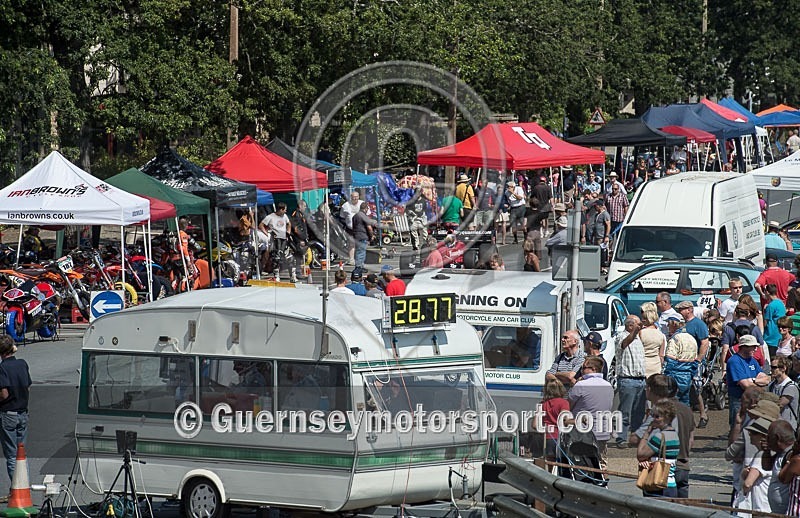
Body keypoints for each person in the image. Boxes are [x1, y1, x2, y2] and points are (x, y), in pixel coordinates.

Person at [630, 374, 695, 498]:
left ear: (650, 389)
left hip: (661, 470)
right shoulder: (687, 410)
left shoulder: (657, 413)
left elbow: (636, 441)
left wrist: (642, 434)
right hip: (683, 466)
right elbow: (691, 441)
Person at [568, 356, 614, 469]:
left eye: (583, 368)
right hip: (602, 432)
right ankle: (603, 483)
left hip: (583, 433)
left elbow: (567, 407)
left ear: (593, 369)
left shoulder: (581, 385)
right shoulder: (608, 386)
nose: (581, 371)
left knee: (581, 466)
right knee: (602, 464)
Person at [0, 336, 31, 482]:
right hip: (23, 412)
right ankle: (24, 485)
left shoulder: (3, 368)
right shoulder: (22, 364)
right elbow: (27, 386)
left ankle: (17, 489)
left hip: (8, 413)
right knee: (21, 453)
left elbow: (4, 394)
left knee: (12, 455)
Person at [636, 398, 680, 498]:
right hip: (671, 484)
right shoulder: (675, 436)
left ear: (667, 418)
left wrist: (647, 433)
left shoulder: (659, 437)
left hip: (657, 483)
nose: (653, 419)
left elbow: (640, 454)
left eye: (657, 416)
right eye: (652, 416)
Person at [615, 315, 647, 449]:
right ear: (630, 326)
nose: (640, 326)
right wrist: (634, 332)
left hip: (640, 379)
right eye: (638, 324)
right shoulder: (622, 336)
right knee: (625, 412)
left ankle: (635, 437)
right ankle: (621, 438)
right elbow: (624, 344)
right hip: (628, 379)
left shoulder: (639, 338)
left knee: (639, 412)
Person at [727, 335, 771, 427]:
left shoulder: (752, 360)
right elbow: (745, 385)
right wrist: (758, 383)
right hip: (739, 400)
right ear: (744, 347)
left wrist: (753, 380)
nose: (756, 349)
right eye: (753, 347)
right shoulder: (734, 361)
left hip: (753, 400)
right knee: (737, 426)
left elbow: (767, 379)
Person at [765, 420, 795, 515]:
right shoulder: (780, 453)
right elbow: (766, 467)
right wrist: (766, 450)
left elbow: (784, 479)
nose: (766, 440)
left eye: (769, 437)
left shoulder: (791, 454)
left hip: (787, 512)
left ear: (777, 438)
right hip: (778, 511)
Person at [259, 203, 294, 280]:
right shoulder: (270, 217)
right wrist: (266, 234)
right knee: (276, 257)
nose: (285, 211)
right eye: (284, 209)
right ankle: (276, 275)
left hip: (284, 239)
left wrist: (288, 232)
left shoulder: (285, 216)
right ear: (281, 209)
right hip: (275, 239)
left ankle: (292, 276)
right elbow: (261, 225)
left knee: (288, 257)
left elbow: (289, 224)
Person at [541, 379, 569, 462]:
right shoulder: (564, 403)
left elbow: (535, 425)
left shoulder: (543, 404)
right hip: (559, 438)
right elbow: (565, 421)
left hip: (547, 438)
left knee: (549, 463)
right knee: (561, 463)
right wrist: (577, 421)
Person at [769, 356, 799, 430]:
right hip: (774, 425)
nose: (771, 370)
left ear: (783, 368)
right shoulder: (772, 385)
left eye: (774, 367)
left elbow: (778, 406)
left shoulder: (791, 387)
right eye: (771, 367)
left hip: (788, 428)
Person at [639, 302, 666, 377]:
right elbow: (661, 356)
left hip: (642, 365)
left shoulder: (640, 333)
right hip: (656, 367)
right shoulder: (661, 335)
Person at [763, 283, 788, 358]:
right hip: (779, 336)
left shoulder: (770, 306)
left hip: (770, 338)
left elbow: (765, 322)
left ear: (767, 292)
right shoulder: (781, 303)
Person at [340, 191, 364, 265]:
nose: (355, 198)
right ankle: (351, 259)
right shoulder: (345, 205)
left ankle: (360, 260)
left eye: (356, 196)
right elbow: (342, 216)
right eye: (353, 197)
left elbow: (368, 214)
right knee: (351, 244)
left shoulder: (362, 204)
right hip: (350, 229)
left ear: (358, 196)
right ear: (351, 197)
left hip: (361, 229)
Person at [406, 188, 429, 260]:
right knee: (413, 232)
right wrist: (411, 214)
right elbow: (407, 209)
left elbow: (425, 210)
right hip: (414, 219)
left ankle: (425, 246)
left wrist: (423, 218)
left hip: (421, 218)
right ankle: (416, 246)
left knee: (424, 233)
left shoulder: (423, 201)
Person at [351, 202, 374, 274]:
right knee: (361, 253)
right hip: (363, 236)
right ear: (366, 208)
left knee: (359, 252)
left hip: (356, 236)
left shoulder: (355, 216)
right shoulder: (364, 216)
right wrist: (372, 235)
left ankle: (361, 266)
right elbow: (369, 228)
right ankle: (358, 267)